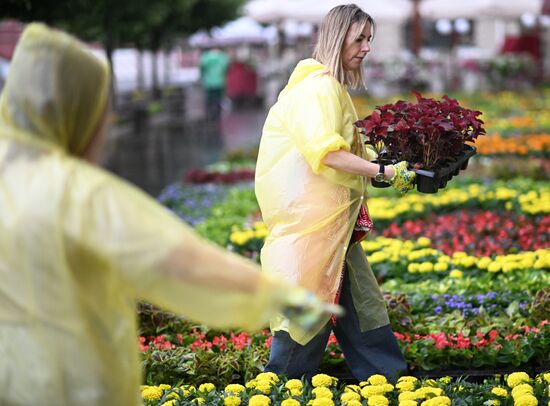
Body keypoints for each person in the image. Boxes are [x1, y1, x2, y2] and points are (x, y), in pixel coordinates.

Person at [0, 24, 339, 405]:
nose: (105, 127)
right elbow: (179, 263)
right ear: (75, 111)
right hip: (64, 383)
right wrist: (282, 298)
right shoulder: (76, 194)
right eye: (100, 113)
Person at [255, 4, 416, 382]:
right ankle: (279, 389)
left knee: (360, 303)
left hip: (331, 225)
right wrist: (384, 171)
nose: (366, 47)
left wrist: (381, 168)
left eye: (369, 39)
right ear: (336, 36)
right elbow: (327, 153)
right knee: (307, 318)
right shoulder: (319, 88)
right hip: (314, 226)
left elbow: (347, 151)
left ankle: (387, 381)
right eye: (358, 38)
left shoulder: (325, 87)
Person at [199, 46, 230, 120]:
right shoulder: (223, 57)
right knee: (218, 99)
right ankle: (217, 115)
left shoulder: (205, 57)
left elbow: (201, 68)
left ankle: (209, 115)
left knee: (209, 99)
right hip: (220, 82)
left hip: (208, 82)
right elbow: (226, 69)